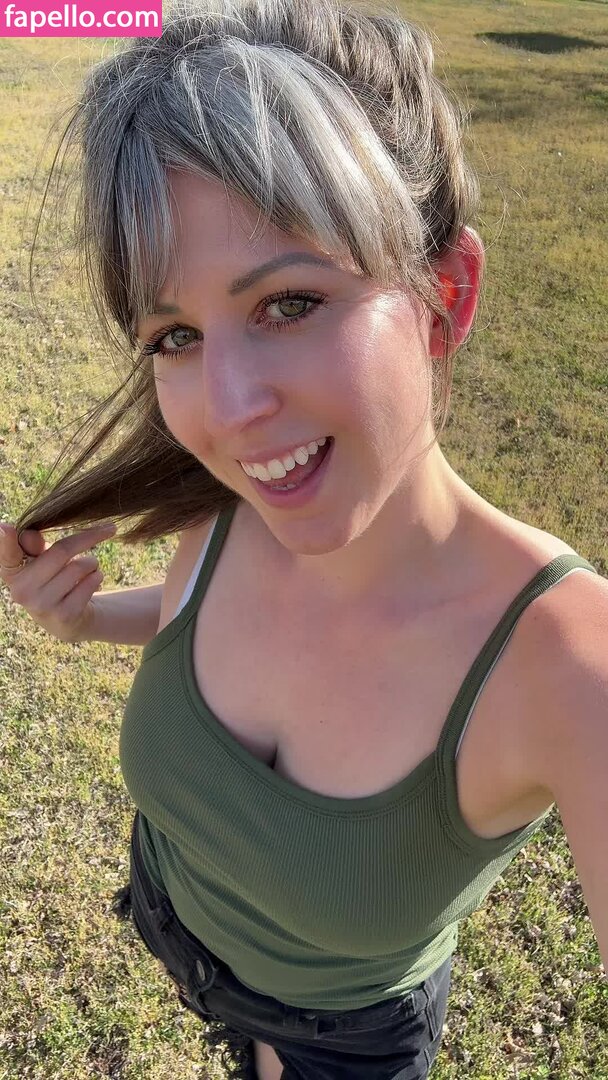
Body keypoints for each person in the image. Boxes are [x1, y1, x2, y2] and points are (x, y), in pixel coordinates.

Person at [1, 1, 606, 1077]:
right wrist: (91, 622)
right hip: (180, 935)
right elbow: (196, 620)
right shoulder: (220, 508)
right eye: (175, 336)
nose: (227, 410)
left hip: (337, 1042)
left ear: (445, 295)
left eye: (287, 303)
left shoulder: (568, 666)